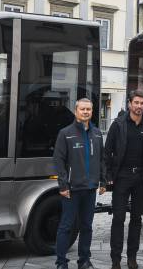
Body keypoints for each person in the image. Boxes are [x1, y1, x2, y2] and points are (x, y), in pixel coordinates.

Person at [53, 98, 107, 269]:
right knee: (66, 226)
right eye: (82, 109)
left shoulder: (97, 134)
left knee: (87, 227)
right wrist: (63, 185)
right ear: (76, 111)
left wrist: (103, 181)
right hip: (71, 189)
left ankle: (84, 260)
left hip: (90, 188)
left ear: (92, 111)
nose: (85, 112)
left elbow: (102, 159)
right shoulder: (65, 133)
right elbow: (58, 160)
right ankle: (61, 262)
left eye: (88, 109)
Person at [104, 91, 143, 269]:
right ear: (130, 104)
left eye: (142, 103)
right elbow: (107, 152)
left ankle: (132, 257)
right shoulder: (118, 124)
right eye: (136, 103)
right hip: (122, 177)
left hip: (141, 178)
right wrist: (108, 176)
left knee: (136, 219)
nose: (139, 106)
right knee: (118, 218)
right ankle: (115, 259)